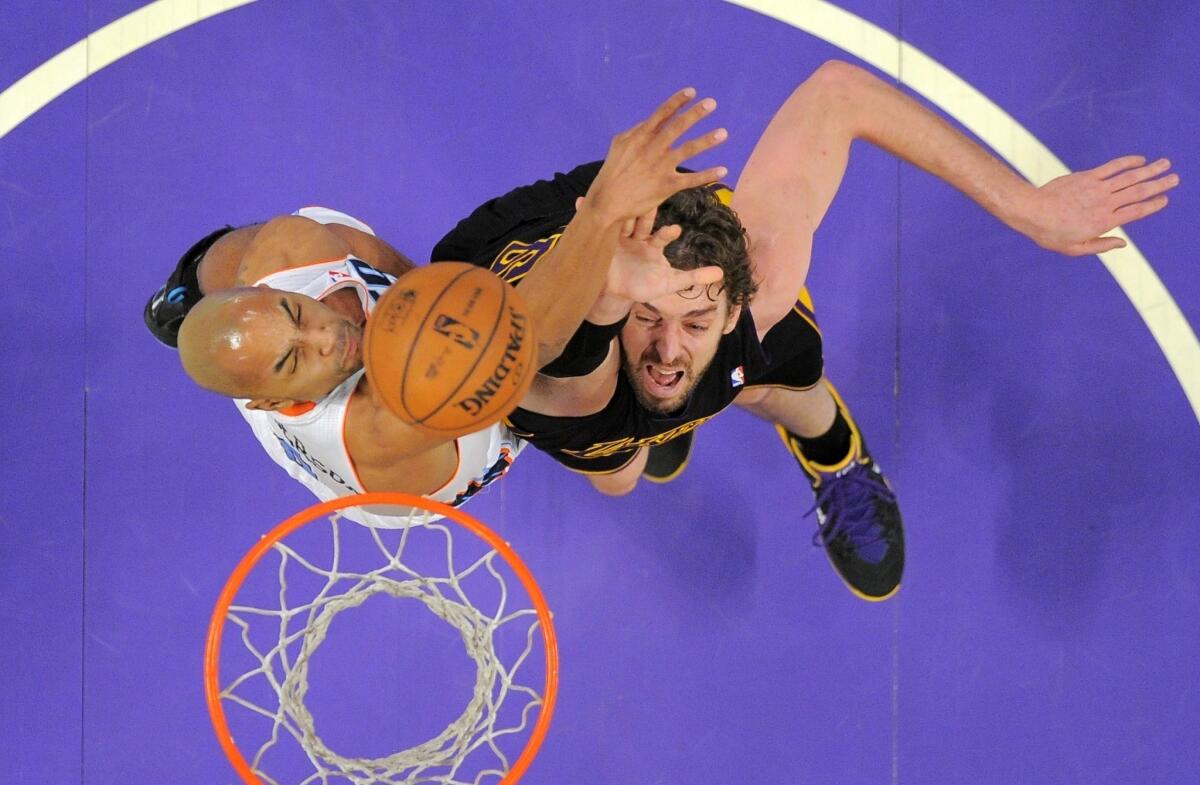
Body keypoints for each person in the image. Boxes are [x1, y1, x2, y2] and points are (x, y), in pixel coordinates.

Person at [430, 60, 1179, 599]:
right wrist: (605, 266)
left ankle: (835, 455)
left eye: (697, 319)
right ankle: (659, 418)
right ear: (623, 303)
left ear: (733, 305)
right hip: (530, 285)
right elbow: (567, 334)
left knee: (785, 387)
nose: (667, 347)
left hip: (640, 277)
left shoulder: (760, 282)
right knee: (619, 473)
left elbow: (838, 93)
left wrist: (1023, 204)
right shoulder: (562, 374)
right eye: (650, 319)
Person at [159, 91, 730, 526]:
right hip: (422, 475)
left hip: (275, 301)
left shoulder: (290, 250)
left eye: (296, 314)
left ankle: (183, 289)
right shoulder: (378, 427)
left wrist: (437, 297)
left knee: (255, 248)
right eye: (293, 360)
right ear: (272, 400)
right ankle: (648, 433)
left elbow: (390, 266)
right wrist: (601, 212)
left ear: (272, 289)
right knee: (599, 441)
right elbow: (530, 342)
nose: (327, 337)